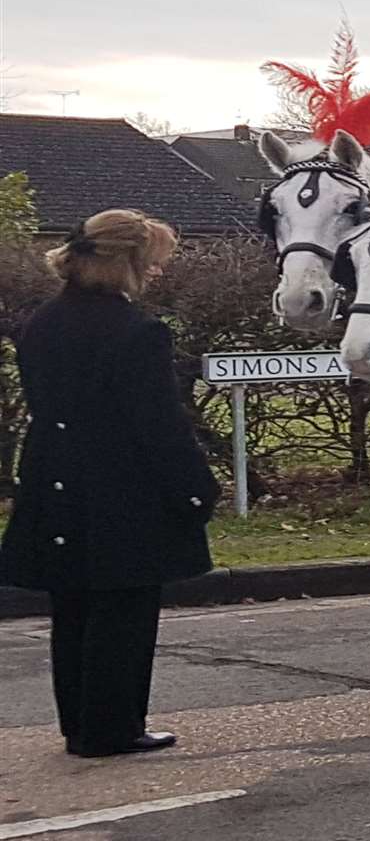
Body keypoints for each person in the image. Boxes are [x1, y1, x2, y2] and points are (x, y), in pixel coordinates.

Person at [0, 210, 218, 758]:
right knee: (124, 611)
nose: (159, 272)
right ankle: (113, 727)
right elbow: (158, 423)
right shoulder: (136, 332)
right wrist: (195, 487)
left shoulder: (44, 320)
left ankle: (80, 723)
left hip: (55, 474)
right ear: (127, 263)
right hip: (122, 487)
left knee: (71, 607)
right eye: (154, 262)